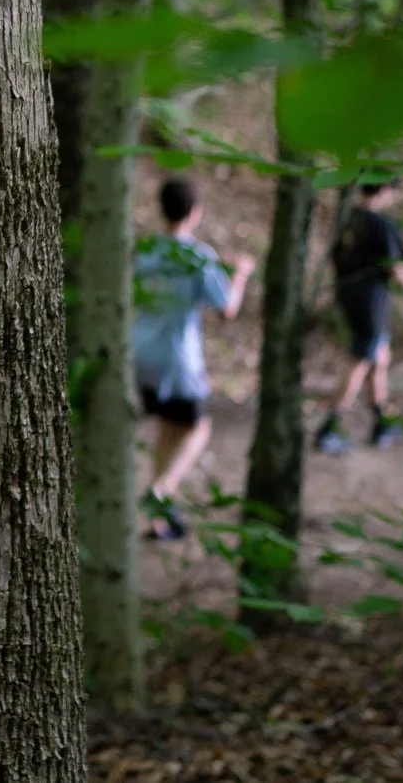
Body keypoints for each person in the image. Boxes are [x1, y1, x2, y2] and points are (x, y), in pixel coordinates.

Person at [131, 176, 255, 542]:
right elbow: (227, 308)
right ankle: (159, 492)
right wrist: (242, 275)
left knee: (169, 429)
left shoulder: (145, 250)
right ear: (195, 213)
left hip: (140, 352)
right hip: (177, 358)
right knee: (198, 430)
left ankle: (159, 518)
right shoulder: (198, 256)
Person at [316, 177, 403, 453]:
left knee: (379, 356)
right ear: (385, 189)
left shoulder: (348, 219)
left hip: (348, 294)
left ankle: (383, 421)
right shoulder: (380, 224)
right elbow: (396, 269)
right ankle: (330, 426)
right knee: (362, 358)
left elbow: (333, 258)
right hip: (370, 299)